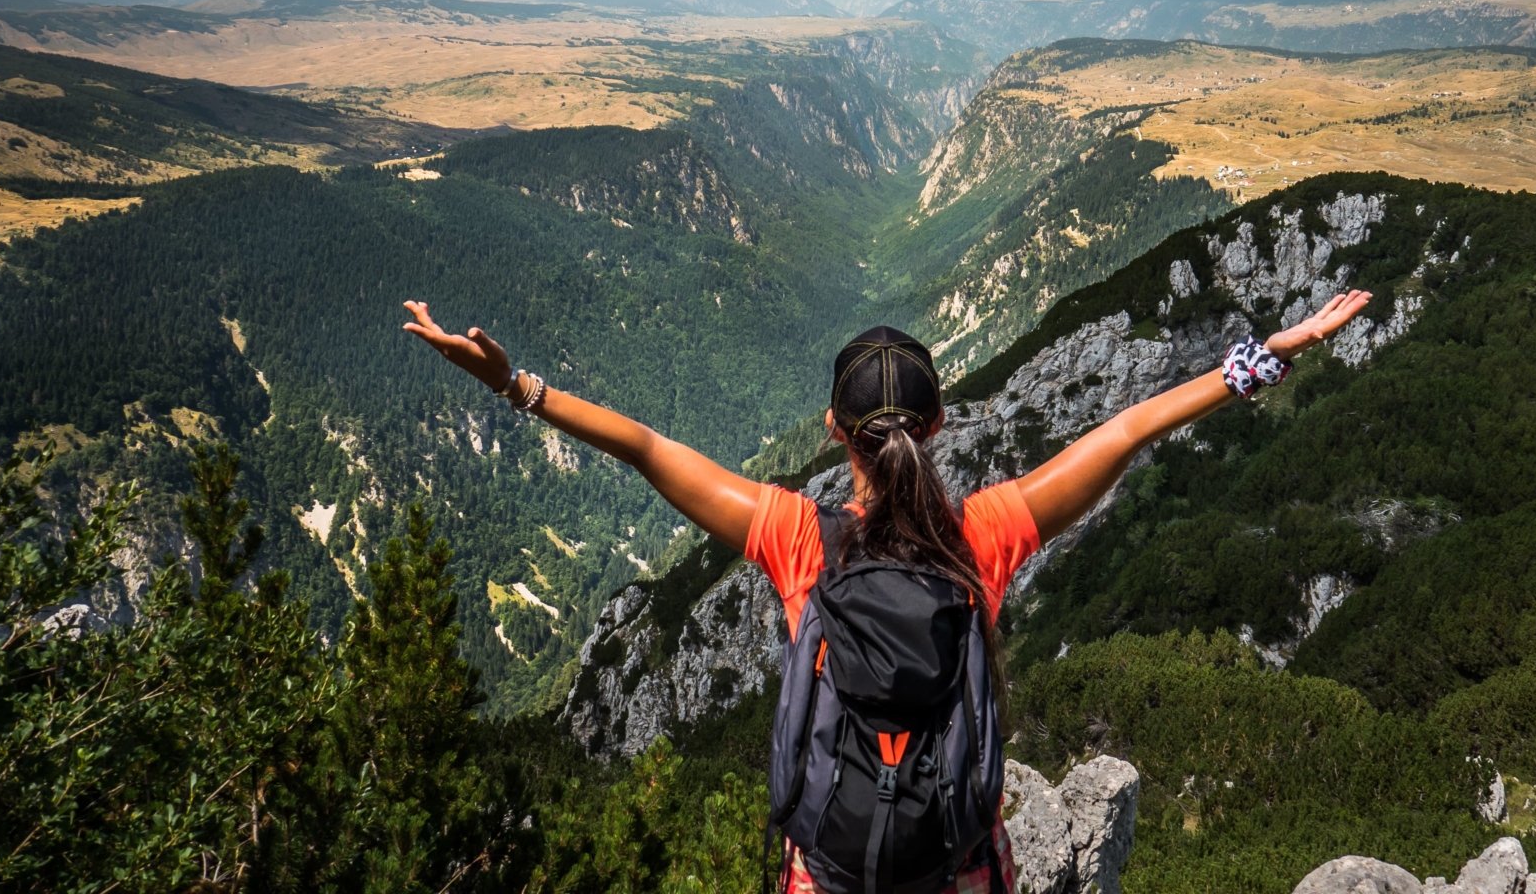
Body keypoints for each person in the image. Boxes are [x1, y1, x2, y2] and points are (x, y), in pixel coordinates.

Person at [402, 289, 1371, 893]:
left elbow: (650, 448)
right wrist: (1267, 355)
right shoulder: (983, 538)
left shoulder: (796, 539)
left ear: (834, 431)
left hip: (827, 871)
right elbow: (1126, 431)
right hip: (955, 865)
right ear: (940, 425)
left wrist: (515, 385)